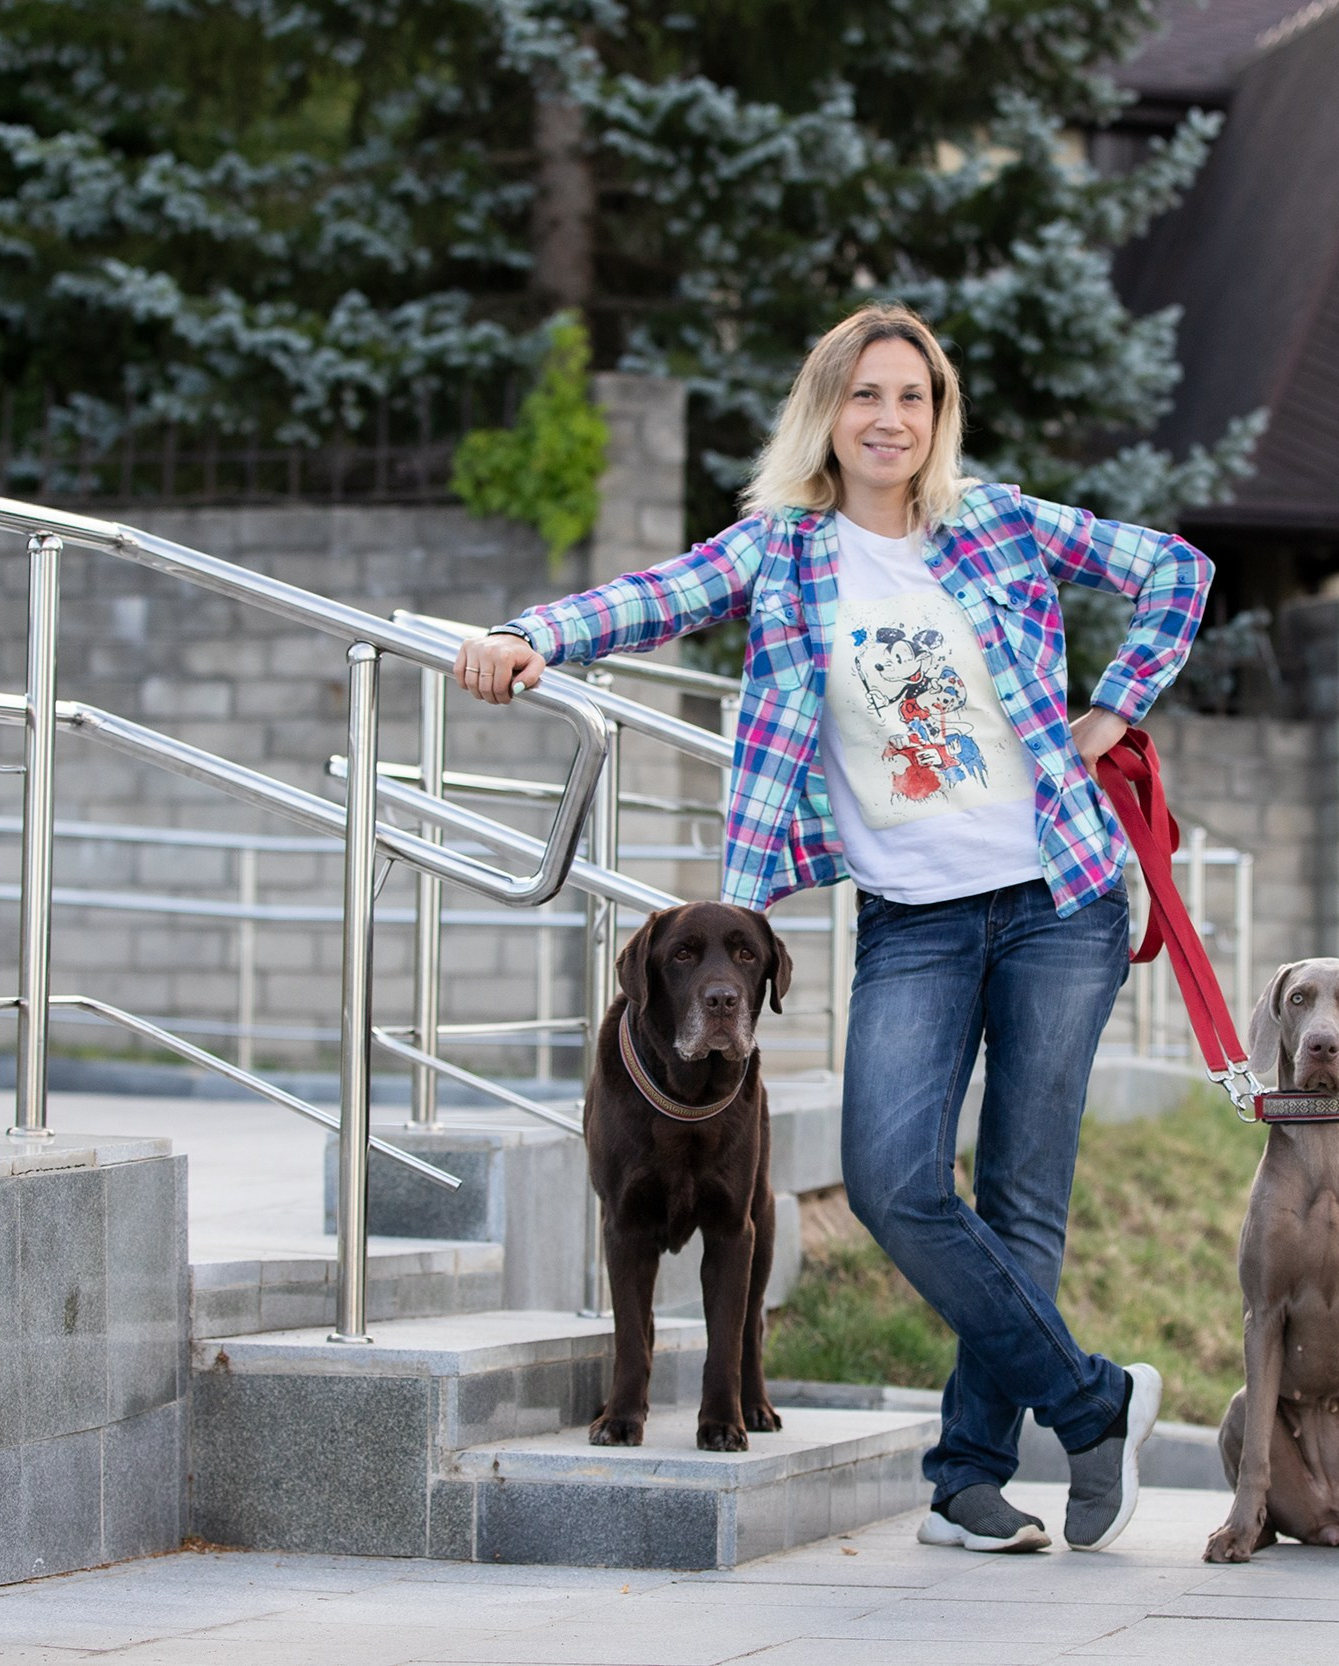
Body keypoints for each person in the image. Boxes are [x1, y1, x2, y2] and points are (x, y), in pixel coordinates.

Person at [453, 303, 1211, 1555]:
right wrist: (529, 636)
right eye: (865, 394)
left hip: (1059, 897)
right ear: (826, 411)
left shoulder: (999, 521)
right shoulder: (782, 550)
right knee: (892, 1181)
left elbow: (1177, 570)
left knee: (1023, 1198)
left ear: (938, 415)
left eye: (912, 396)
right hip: (913, 918)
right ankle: (1094, 1403)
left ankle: (968, 1480)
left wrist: (1113, 709)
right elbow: (653, 596)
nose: (889, 419)